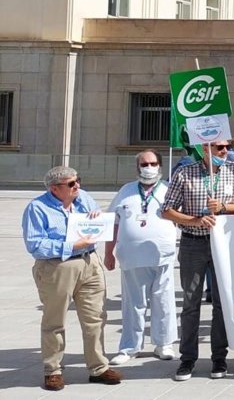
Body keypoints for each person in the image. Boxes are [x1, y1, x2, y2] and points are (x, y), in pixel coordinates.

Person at [22, 166, 123, 391]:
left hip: (90, 262)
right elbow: (35, 245)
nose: (77, 186)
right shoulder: (37, 208)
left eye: (78, 180)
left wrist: (97, 218)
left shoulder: (83, 197)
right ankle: (52, 370)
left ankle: (98, 367)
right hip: (57, 266)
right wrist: (71, 245)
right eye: (71, 184)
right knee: (54, 320)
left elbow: (97, 218)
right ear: (54, 188)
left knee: (96, 317)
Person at [161, 140, 234, 382]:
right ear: (205, 149)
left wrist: (224, 206)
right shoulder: (185, 172)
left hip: (223, 244)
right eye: (220, 147)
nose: (225, 151)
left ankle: (219, 357)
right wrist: (195, 220)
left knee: (222, 303)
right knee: (191, 303)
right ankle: (187, 358)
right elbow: (167, 210)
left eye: (227, 146)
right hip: (193, 243)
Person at [103, 151, 178, 365]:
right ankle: (129, 347)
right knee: (133, 304)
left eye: (153, 163)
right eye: (144, 164)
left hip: (162, 256)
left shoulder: (169, 190)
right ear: (137, 167)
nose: (149, 167)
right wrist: (108, 253)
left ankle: (164, 343)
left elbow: (182, 216)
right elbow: (113, 222)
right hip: (131, 257)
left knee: (163, 301)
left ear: (160, 166)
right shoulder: (126, 191)